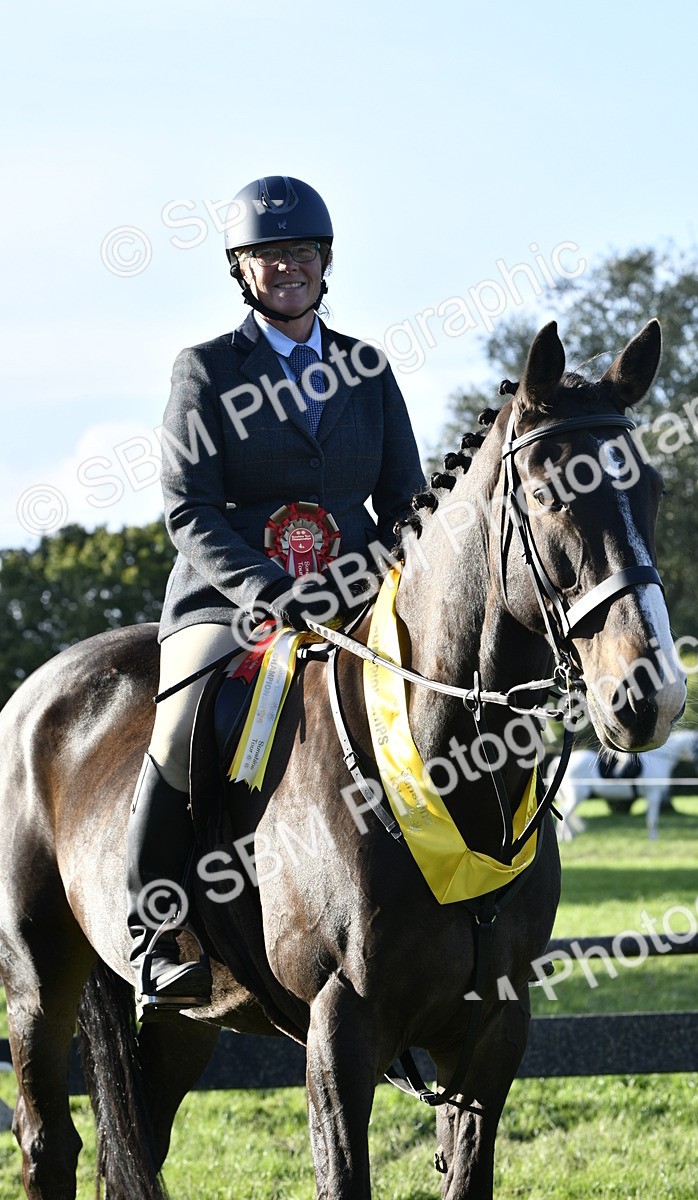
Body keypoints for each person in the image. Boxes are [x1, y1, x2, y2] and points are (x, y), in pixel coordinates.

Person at [127, 175, 424, 1008]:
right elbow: (189, 506)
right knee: (185, 721)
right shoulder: (208, 370)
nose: (287, 268)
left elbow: (405, 501)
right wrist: (265, 589)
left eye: (300, 253)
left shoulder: (366, 368)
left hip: (358, 598)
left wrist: (385, 584)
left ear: (324, 263)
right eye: (268, 256)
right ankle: (154, 931)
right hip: (231, 602)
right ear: (242, 270)